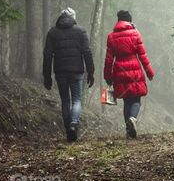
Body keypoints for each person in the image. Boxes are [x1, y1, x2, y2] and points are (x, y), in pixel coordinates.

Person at [43, 7, 95, 142]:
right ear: (74, 17)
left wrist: (46, 76)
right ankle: (74, 124)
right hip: (77, 71)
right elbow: (87, 52)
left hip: (60, 71)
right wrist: (91, 71)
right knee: (77, 99)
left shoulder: (52, 33)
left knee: (65, 100)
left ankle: (68, 129)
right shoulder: (80, 31)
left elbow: (47, 55)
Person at [104, 10, 154, 138]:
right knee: (136, 99)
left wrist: (107, 76)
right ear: (129, 21)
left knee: (126, 101)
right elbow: (142, 55)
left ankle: (128, 129)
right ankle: (132, 119)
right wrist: (149, 72)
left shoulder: (111, 36)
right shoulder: (135, 33)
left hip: (119, 70)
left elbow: (109, 59)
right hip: (135, 69)